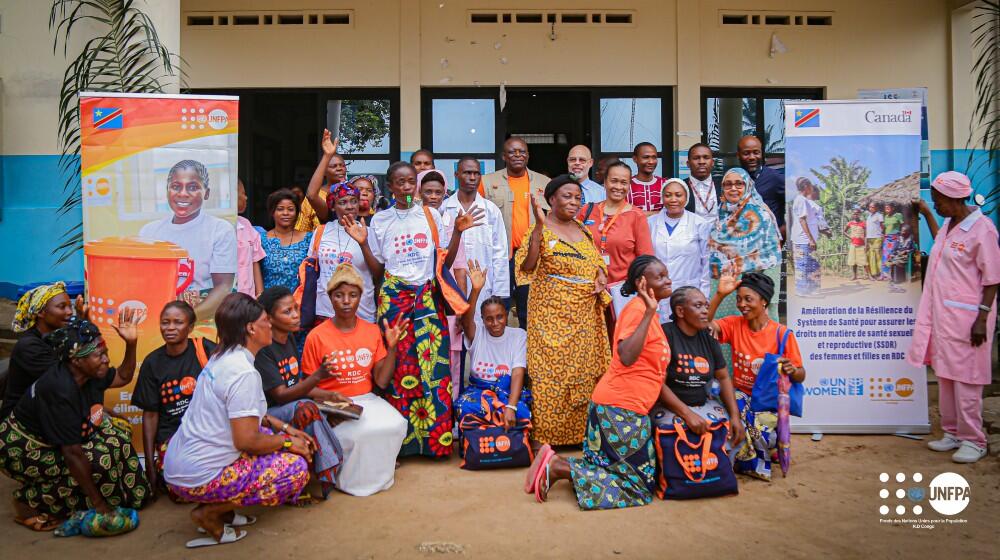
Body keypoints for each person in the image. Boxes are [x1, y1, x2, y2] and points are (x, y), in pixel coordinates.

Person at [163, 293, 314, 548]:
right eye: (266, 319)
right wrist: (289, 443)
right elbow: (246, 440)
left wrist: (286, 429)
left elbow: (247, 414)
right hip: (199, 474)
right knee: (294, 470)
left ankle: (225, 509)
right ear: (251, 328)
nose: (270, 325)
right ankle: (210, 513)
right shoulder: (243, 373)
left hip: (181, 464)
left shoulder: (223, 356)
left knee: (271, 440)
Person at [525, 256, 672, 508]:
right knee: (637, 487)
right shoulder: (638, 310)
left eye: (666, 274)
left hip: (620, 407)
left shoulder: (649, 313)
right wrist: (648, 312)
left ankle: (557, 463)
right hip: (621, 410)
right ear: (641, 283)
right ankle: (559, 467)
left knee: (612, 469)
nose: (668, 280)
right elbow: (625, 356)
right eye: (660, 276)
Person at [369, 161, 483, 457]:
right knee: (400, 368)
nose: (407, 188)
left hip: (427, 298)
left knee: (434, 368)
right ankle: (401, 445)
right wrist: (363, 244)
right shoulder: (380, 221)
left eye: (410, 182)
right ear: (391, 186)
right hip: (394, 302)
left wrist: (458, 232)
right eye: (400, 182)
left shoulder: (431, 215)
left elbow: (444, 259)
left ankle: (436, 443)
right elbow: (377, 270)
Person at [0, 314, 149, 533]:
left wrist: (131, 343)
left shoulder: (89, 373)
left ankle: (129, 496)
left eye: (105, 353)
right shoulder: (59, 389)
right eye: (100, 355)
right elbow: (72, 454)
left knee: (116, 435)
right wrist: (101, 508)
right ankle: (29, 502)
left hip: (55, 438)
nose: (106, 360)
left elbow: (123, 376)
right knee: (97, 460)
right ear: (76, 360)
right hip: (21, 449)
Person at [910, 171, 1000, 463]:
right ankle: (952, 432)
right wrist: (925, 214)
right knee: (946, 374)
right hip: (944, 315)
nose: (935, 205)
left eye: (938, 201)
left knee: (968, 379)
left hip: (969, 317)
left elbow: (992, 278)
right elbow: (941, 246)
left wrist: (982, 318)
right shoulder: (951, 224)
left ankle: (974, 439)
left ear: (954, 198)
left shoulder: (982, 229)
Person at [516, 175, 611, 446]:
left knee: (583, 373)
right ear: (551, 199)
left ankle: (581, 435)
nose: (573, 202)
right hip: (551, 318)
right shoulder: (540, 230)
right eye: (567, 196)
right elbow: (527, 267)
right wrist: (538, 227)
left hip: (584, 318)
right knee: (551, 376)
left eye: (578, 197)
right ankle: (548, 437)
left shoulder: (583, 229)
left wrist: (601, 276)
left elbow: (596, 264)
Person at [301, 264, 409, 495]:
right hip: (332, 403)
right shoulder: (316, 336)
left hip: (366, 399)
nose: (346, 301)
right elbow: (307, 388)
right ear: (330, 298)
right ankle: (347, 479)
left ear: (361, 297)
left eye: (353, 295)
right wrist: (331, 400)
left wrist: (392, 347)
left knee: (396, 423)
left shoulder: (371, 331)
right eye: (339, 295)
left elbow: (380, 381)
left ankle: (377, 472)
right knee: (358, 434)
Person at [708, 272, 805, 481]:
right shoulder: (734, 325)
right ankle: (756, 452)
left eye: (748, 299)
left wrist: (792, 370)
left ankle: (765, 446)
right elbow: (703, 326)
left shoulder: (782, 334)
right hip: (740, 396)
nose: (742, 304)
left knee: (758, 426)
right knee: (728, 416)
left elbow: (801, 375)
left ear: (764, 301)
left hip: (767, 403)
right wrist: (719, 295)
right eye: (739, 299)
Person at [255, 287, 345, 498]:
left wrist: (329, 396)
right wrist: (317, 377)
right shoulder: (264, 348)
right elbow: (281, 395)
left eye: (296, 308)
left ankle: (326, 468)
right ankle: (327, 471)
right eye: (287, 312)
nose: (296, 315)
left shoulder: (289, 339)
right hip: (269, 414)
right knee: (306, 408)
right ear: (269, 318)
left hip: (292, 404)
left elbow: (296, 383)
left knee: (330, 410)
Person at [131, 301, 215, 498]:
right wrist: (150, 467)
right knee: (180, 491)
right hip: (173, 436)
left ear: (190, 327)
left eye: (178, 322)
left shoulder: (205, 350)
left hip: (206, 432)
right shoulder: (152, 363)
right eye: (165, 322)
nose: (170, 328)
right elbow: (150, 416)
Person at [138, 159, 237, 321]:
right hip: (156, 321)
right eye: (176, 186)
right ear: (167, 190)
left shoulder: (219, 230)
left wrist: (185, 321)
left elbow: (224, 287)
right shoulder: (149, 231)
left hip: (203, 321)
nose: (183, 193)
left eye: (193, 187)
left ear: (206, 193)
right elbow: (142, 282)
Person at [651, 286, 743, 450]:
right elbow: (658, 384)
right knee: (679, 435)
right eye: (698, 306)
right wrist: (687, 414)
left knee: (727, 432)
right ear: (680, 311)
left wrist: (735, 416)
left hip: (704, 404)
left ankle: (716, 474)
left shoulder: (708, 335)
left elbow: (722, 377)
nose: (705, 311)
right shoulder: (665, 335)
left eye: (706, 306)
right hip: (671, 407)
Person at [481, 137, 551, 327]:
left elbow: (553, 220)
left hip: (531, 257)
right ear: (504, 156)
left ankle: (528, 355)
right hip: (500, 258)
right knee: (498, 309)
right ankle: (499, 355)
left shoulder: (544, 182)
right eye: (512, 152)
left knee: (528, 310)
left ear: (528, 155)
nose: (518, 155)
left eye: (522, 152)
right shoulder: (487, 182)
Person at [455, 261, 531, 424]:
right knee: (465, 408)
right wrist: (476, 290)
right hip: (479, 392)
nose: (495, 323)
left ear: (507, 315)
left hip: (507, 392)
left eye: (500, 317)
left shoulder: (518, 335)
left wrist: (511, 407)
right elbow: (467, 322)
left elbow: (518, 373)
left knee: (522, 412)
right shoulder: (478, 333)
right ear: (482, 320)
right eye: (489, 319)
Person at [578, 161, 653, 317]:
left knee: (619, 338)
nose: (618, 187)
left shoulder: (636, 216)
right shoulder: (587, 211)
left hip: (622, 292)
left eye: (624, 182)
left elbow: (645, 260)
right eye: (614, 181)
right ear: (605, 182)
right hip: (589, 290)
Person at [708, 167, 782, 322]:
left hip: (754, 293)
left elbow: (773, 259)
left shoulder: (761, 216)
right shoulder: (719, 216)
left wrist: (770, 300)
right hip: (723, 292)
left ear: (748, 186)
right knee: (724, 334)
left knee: (754, 341)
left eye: (739, 184)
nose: (733, 188)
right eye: (728, 184)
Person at [443, 158, 510, 321]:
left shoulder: (491, 210)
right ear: (456, 174)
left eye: (476, 173)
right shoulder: (444, 208)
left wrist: (499, 293)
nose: (472, 177)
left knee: (481, 334)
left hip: (484, 286)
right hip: (451, 286)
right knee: (454, 335)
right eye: (467, 173)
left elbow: (500, 254)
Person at [2, 282, 78, 419]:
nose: (70, 311)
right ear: (41, 312)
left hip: (47, 413)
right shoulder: (29, 347)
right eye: (62, 307)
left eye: (70, 306)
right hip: (20, 422)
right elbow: (71, 380)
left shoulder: (56, 338)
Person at [313, 181, 380, 324]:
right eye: (343, 202)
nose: (349, 206)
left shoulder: (369, 232)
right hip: (326, 311)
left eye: (354, 201)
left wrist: (363, 244)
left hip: (362, 312)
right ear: (333, 206)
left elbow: (378, 273)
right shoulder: (321, 232)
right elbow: (312, 270)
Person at [648, 178, 712, 323]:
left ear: (686, 197)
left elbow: (706, 262)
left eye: (678, 195)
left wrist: (704, 295)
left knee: (686, 334)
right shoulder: (650, 223)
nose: (673, 199)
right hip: (658, 294)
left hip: (689, 290)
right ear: (662, 197)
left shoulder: (699, 223)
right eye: (668, 195)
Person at [256, 189, 314, 293]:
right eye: (280, 209)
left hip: (299, 303)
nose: (285, 213)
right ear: (272, 212)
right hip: (269, 303)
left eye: (290, 209)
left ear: (297, 213)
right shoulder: (261, 239)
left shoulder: (309, 239)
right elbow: (255, 272)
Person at [298, 131, 347, 232]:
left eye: (342, 165)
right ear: (323, 171)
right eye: (334, 166)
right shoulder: (316, 195)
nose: (339, 168)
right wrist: (327, 155)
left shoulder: (352, 192)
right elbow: (302, 229)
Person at [737, 135, 785, 234]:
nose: (752, 157)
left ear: (761, 154)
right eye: (746, 153)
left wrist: (781, 234)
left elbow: (795, 206)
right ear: (738, 155)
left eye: (756, 152)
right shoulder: (734, 179)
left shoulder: (775, 178)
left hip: (768, 245)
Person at [790, 177, 825, 295]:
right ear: (805, 186)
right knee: (803, 266)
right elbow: (802, 221)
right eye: (810, 186)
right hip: (803, 240)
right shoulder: (801, 200)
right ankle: (802, 291)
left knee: (812, 265)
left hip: (805, 240)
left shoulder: (802, 200)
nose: (812, 188)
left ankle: (811, 290)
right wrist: (811, 240)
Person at [236, 179, 265, 296]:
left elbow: (255, 262)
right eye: (243, 193)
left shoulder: (246, 224)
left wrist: (260, 296)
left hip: (248, 297)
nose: (246, 198)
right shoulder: (213, 227)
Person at [684, 143, 721, 226]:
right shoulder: (680, 187)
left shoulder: (724, 185)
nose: (701, 162)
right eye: (696, 158)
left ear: (712, 162)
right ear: (688, 164)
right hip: (690, 236)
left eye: (706, 157)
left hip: (718, 236)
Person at [629, 142, 667, 215]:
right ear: (635, 159)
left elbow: (672, 213)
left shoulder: (665, 184)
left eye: (654, 157)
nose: (651, 162)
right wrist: (659, 214)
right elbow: (622, 214)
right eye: (646, 157)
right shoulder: (626, 185)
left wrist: (639, 214)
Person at [886, 224, 914, 292]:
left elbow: (913, 249)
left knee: (893, 261)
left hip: (904, 256)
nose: (902, 232)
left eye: (904, 231)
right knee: (890, 260)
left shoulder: (910, 239)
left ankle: (895, 280)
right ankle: (892, 279)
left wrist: (906, 251)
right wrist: (892, 254)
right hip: (897, 255)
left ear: (907, 232)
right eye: (902, 231)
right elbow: (894, 247)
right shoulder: (899, 238)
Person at [880, 202, 904, 280]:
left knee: (890, 255)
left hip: (894, 238)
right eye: (885, 208)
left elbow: (902, 226)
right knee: (884, 256)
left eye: (888, 208)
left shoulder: (898, 215)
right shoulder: (886, 217)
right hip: (887, 238)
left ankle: (890, 274)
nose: (886, 209)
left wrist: (901, 236)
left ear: (893, 208)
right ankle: (884, 274)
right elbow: (885, 228)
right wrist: (883, 234)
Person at [843, 207, 867, 281]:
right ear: (852, 215)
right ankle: (854, 276)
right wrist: (850, 237)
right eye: (854, 214)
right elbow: (843, 231)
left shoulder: (863, 223)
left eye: (857, 214)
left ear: (859, 214)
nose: (855, 215)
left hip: (861, 244)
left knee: (864, 261)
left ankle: (865, 275)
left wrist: (866, 244)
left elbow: (866, 235)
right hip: (853, 244)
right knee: (853, 261)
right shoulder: (850, 223)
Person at [865, 202, 884, 280]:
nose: (871, 208)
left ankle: (881, 274)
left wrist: (882, 234)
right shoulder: (869, 216)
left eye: (872, 207)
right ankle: (874, 274)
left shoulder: (879, 215)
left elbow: (882, 226)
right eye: (870, 207)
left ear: (876, 208)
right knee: (871, 256)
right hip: (869, 238)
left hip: (877, 237)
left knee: (878, 256)